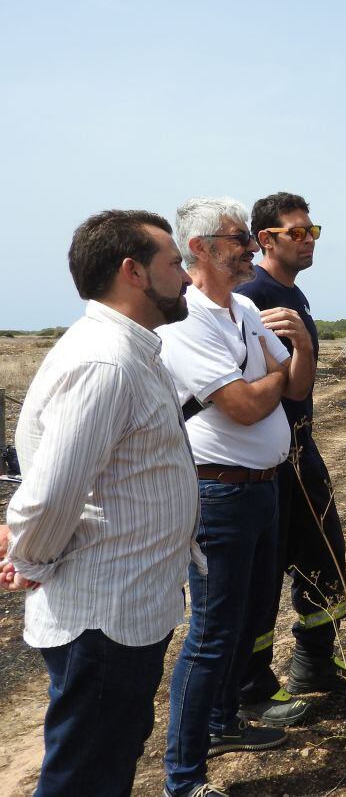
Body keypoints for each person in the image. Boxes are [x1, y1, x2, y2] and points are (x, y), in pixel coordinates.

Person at [1, 210, 199, 796]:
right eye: (174, 263)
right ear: (132, 272)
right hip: (102, 612)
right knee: (84, 775)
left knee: (106, 759)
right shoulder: (104, 363)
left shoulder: (129, 352)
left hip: (125, 604)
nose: (186, 277)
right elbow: (52, 491)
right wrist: (29, 562)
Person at [158, 197, 315, 797]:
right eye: (238, 239)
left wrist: (298, 348)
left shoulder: (245, 306)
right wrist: (275, 377)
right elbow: (246, 406)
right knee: (212, 633)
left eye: (251, 238)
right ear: (200, 248)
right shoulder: (186, 318)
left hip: (263, 486)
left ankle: (224, 723)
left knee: (251, 616)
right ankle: (184, 778)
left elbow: (294, 385)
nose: (251, 246)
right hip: (218, 492)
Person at [236, 192, 346, 719]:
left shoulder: (292, 295)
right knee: (259, 580)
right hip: (264, 465)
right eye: (297, 232)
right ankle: (252, 688)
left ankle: (315, 664)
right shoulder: (250, 295)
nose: (309, 241)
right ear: (265, 239)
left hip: (303, 453)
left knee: (325, 562)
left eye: (313, 231)